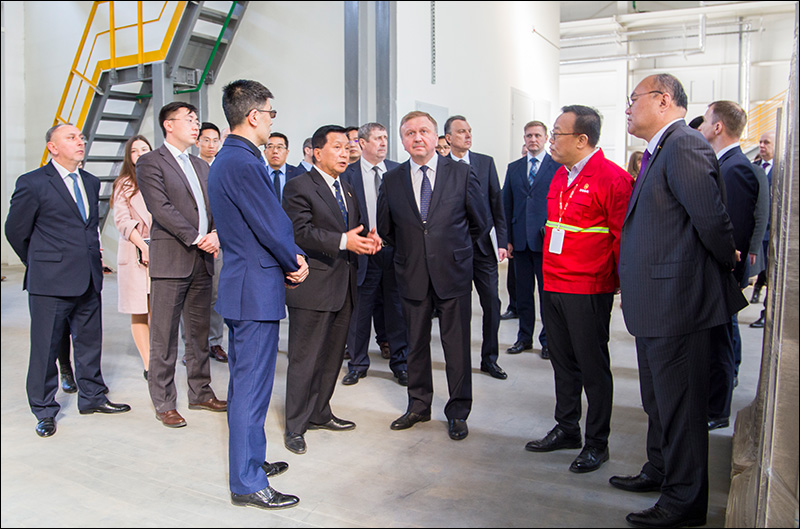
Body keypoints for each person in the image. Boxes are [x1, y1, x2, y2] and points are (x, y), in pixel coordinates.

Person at [614, 73, 746, 528]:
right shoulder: (662, 149)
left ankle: (684, 502)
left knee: (682, 409)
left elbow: (712, 220)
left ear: (663, 100)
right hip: (657, 303)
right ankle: (660, 469)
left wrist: (724, 264)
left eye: (633, 99)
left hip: (678, 303)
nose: (628, 108)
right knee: (660, 403)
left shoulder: (684, 145)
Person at [208, 79, 307, 511]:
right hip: (254, 290)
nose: (271, 121)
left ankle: (251, 459)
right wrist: (295, 260)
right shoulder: (244, 162)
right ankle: (247, 481)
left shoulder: (230, 158)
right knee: (250, 389)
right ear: (253, 116)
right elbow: (273, 224)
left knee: (249, 385)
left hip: (245, 284)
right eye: (270, 113)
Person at [5, 123, 131, 438]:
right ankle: (44, 410)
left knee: (89, 342)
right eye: (71, 138)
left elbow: (87, 228)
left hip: (87, 278)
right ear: (52, 147)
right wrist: (38, 262)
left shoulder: (89, 181)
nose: (80, 142)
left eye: (81, 137)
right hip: (49, 281)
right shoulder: (33, 182)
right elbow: (15, 230)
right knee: (45, 348)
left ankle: (92, 397)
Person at [526, 106, 633, 474]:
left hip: (588, 288)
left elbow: (622, 239)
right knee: (562, 361)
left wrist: (621, 286)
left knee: (592, 366)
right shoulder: (559, 175)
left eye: (557, 134)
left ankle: (597, 442)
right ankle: (567, 428)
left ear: (582, 140)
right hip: (553, 282)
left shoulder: (613, 179)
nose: (551, 141)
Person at [378, 111, 488, 441]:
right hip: (411, 273)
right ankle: (418, 405)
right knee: (415, 344)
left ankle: (458, 411)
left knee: (456, 346)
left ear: (436, 136)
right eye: (410, 133)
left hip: (452, 273)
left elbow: (480, 222)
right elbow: (386, 229)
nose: (417, 138)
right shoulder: (392, 179)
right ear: (402, 140)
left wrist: (451, 248)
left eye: (424, 131)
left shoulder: (461, 173)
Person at [282, 125, 381, 455]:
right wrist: (343, 241)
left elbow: (354, 231)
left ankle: (320, 412)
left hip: (344, 286)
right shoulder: (299, 187)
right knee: (305, 359)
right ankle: (295, 426)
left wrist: (367, 240)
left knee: (331, 358)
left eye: (347, 147)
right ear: (316, 152)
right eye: (337, 147)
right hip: (313, 288)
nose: (345, 152)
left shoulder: (347, 188)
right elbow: (300, 232)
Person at [137, 101, 226, 429]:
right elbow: (160, 208)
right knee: (164, 337)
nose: (195, 125)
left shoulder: (201, 165)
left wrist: (216, 234)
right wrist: (197, 237)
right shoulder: (151, 162)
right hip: (172, 261)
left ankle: (200, 392)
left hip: (202, 260)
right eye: (189, 119)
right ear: (168, 125)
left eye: (196, 119)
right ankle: (164, 402)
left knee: (199, 334)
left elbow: (215, 207)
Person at [698, 100, 762, 430]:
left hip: (721, 273)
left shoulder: (735, 169)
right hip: (718, 271)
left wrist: (729, 274)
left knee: (720, 342)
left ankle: (716, 410)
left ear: (718, 126)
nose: (700, 128)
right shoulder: (727, 163)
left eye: (705, 121)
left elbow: (731, 230)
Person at [340, 122, 409, 386]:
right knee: (360, 311)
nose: (383, 143)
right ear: (362, 143)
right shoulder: (348, 175)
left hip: (393, 252)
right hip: (362, 252)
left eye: (385, 138)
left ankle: (401, 364)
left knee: (396, 310)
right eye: (377, 138)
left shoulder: (399, 171)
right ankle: (357, 364)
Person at [445, 115, 508, 380]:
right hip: (455, 251)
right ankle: (460, 362)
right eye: (461, 131)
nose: (468, 135)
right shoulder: (441, 166)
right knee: (459, 309)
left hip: (484, 248)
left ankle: (489, 359)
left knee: (492, 303)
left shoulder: (485, 163)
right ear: (448, 138)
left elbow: (497, 204)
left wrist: (501, 242)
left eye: (469, 130)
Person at [503, 120, 560, 360]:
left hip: (545, 241)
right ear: (524, 139)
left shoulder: (557, 166)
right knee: (523, 294)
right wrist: (506, 239)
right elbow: (506, 205)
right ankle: (524, 338)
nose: (533, 139)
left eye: (537, 135)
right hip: (520, 242)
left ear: (546, 138)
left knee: (547, 295)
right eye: (529, 136)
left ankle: (548, 341)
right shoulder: (514, 168)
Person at [111, 135, 153, 380]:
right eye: (135, 151)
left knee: (157, 310)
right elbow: (122, 221)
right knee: (139, 309)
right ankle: (149, 365)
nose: (140, 154)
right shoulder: (124, 184)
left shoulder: (159, 178)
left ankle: (158, 358)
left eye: (144, 149)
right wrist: (143, 247)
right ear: (129, 156)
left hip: (159, 251)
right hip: (135, 251)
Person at [193, 122, 228, 363]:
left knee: (216, 293)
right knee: (191, 296)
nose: (211, 144)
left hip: (218, 239)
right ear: (197, 142)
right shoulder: (188, 167)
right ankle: (193, 346)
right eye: (206, 140)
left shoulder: (222, 168)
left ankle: (215, 342)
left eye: (215, 140)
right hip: (193, 239)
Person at [750, 131, 776, 328]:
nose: (762, 146)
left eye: (766, 142)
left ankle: (767, 313)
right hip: (758, 233)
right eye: (760, 142)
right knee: (762, 271)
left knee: (772, 275)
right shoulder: (754, 168)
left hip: (773, 233)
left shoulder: (783, 170)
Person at [265, 132, 305, 203]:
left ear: (287, 152)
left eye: (279, 147)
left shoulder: (299, 175)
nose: (275, 151)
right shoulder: (259, 174)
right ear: (265, 152)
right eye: (270, 147)